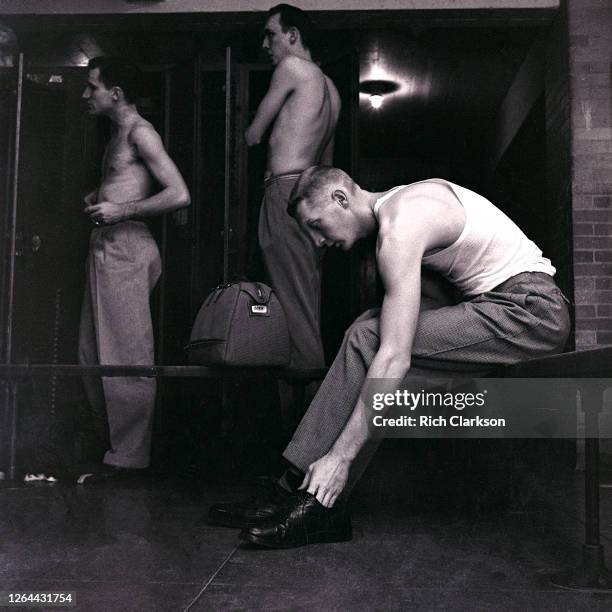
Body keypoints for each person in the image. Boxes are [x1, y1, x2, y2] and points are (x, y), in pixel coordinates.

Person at [208, 166, 570, 548]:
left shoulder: (401, 226)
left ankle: (313, 489)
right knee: (367, 329)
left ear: (340, 199)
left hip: (531, 312)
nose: (316, 240)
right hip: (501, 307)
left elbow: (395, 356)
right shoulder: (399, 205)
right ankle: (310, 494)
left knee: (370, 338)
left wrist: (341, 457)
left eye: (316, 225)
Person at [77, 56, 190, 484]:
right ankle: (113, 450)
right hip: (106, 245)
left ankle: (129, 460)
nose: (87, 94)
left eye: (92, 87)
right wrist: (100, 196)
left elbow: (179, 194)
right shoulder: (115, 134)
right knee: (90, 353)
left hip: (127, 247)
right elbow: (125, 183)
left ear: (115, 93)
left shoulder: (141, 133)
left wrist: (121, 209)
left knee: (126, 356)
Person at [247, 3, 341, 370]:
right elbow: (326, 166)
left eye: (271, 35)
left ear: (292, 35)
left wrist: (252, 131)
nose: (266, 45)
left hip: (286, 191)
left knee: (288, 298)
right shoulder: (330, 89)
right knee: (304, 295)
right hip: (314, 196)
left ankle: (311, 399)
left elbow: (254, 134)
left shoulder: (291, 68)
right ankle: (308, 399)